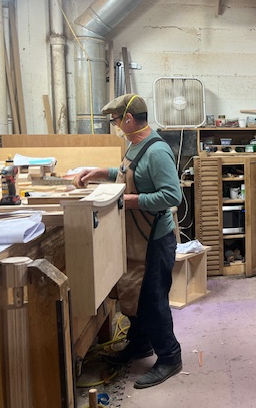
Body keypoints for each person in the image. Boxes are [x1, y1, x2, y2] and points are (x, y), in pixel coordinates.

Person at [74, 94, 183, 389]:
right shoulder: (135, 145)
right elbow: (129, 175)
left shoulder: (156, 150)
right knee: (133, 293)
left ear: (129, 120)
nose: (115, 126)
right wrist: (102, 172)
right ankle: (139, 346)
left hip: (155, 239)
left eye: (115, 121)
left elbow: (173, 196)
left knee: (153, 300)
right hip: (137, 236)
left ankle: (170, 357)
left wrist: (127, 200)